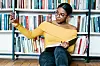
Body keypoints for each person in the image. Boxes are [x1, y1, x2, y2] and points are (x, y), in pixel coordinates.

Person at [10, 3, 77, 66]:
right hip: (48, 53)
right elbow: (30, 35)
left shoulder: (72, 29)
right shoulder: (46, 25)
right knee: (47, 61)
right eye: (57, 13)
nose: (58, 16)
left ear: (68, 16)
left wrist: (66, 46)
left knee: (59, 49)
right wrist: (17, 25)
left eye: (62, 14)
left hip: (63, 54)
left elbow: (71, 50)